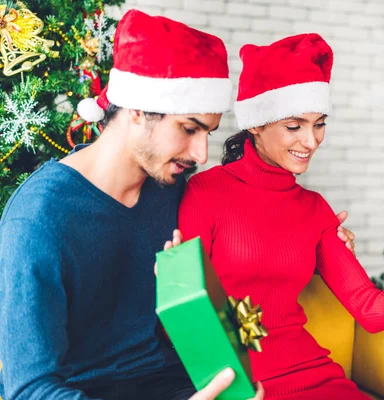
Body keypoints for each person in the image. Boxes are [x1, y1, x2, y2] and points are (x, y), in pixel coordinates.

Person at [0, 11, 358, 400]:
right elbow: (30, 389)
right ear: (136, 110)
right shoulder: (38, 219)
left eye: (207, 132)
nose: (202, 154)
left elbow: (243, 257)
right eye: (189, 129)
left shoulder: (171, 189)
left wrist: (323, 245)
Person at [178, 33, 384, 399]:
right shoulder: (204, 193)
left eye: (319, 123)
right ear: (257, 123)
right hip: (245, 387)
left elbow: (370, 308)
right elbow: (184, 316)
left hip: (319, 378)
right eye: (295, 126)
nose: (311, 141)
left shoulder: (314, 209)